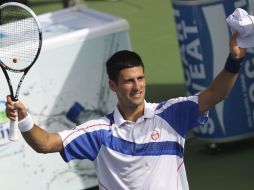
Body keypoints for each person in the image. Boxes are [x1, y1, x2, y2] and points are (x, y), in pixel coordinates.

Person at [5, 32, 246, 190]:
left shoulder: (171, 115)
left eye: (140, 78)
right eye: (129, 81)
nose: (137, 86)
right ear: (113, 85)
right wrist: (25, 119)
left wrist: (234, 61)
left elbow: (216, 93)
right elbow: (45, 144)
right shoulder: (99, 133)